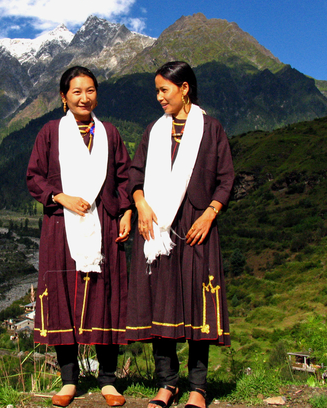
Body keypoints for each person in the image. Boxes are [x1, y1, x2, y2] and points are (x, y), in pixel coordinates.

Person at [125, 61, 234, 408]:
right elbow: (135, 173)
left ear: (184, 88)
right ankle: (166, 384)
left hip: (197, 228)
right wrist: (140, 202)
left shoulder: (211, 130)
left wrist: (210, 213)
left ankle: (198, 387)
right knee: (162, 305)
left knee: (198, 304)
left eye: (164, 90)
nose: (159, 97)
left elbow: (226, 179)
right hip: (157, 229)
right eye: (157, 91)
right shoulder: (153, 132)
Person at [27, 66, 132, 407]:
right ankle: (69, 381)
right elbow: (34, 177)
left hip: (104, 224)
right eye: (76, 92)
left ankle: (108, 381)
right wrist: (61, 197)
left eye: (90, 91)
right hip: (62, 226)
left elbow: (125, 177)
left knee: (107, 298)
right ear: (63, 97)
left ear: (96, 95)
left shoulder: (110, 134)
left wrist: (127, 210)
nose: (84, 97)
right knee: (63, 299)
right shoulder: (50, 133)